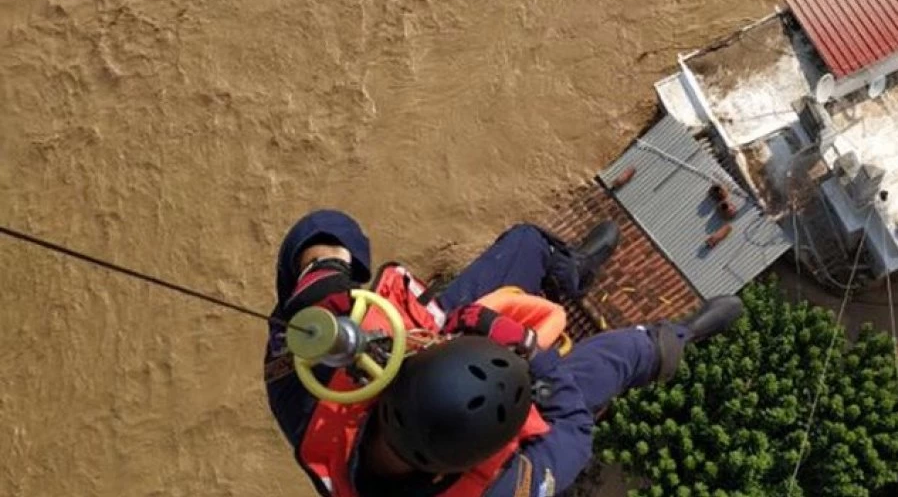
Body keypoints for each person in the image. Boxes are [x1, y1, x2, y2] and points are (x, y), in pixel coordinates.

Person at [263, 210, 745, 497]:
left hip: (438, 329)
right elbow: (575, 432)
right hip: (530, 378)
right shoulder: (503, 488)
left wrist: (321, 273)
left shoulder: (309, 398)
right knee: (619, 356)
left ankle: (569, 272)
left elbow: (322, 228)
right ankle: (676, 339)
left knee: (526, 244)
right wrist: (530, 349)